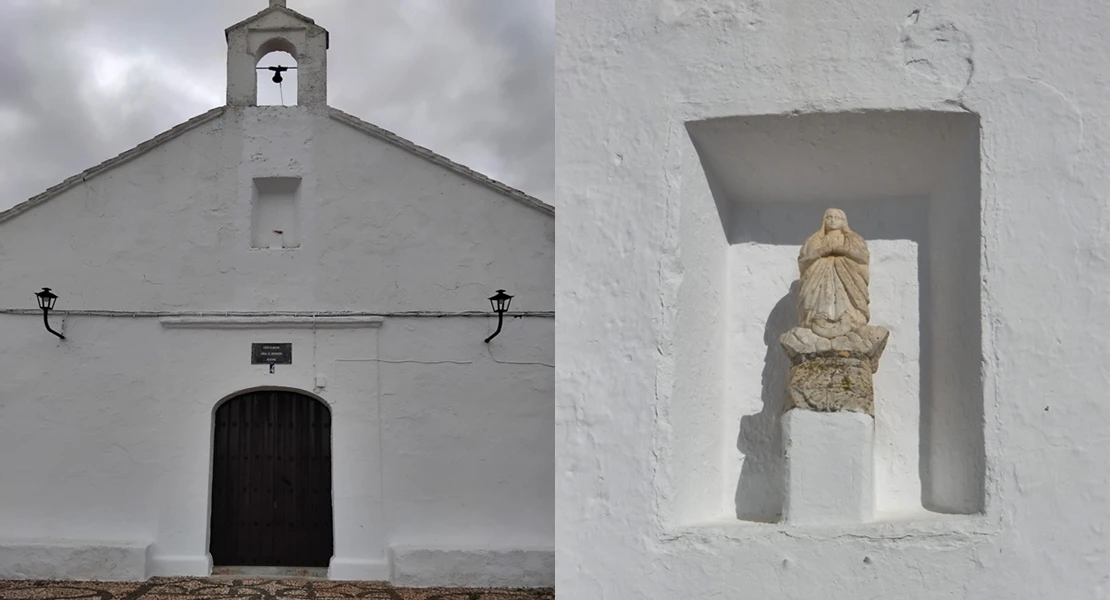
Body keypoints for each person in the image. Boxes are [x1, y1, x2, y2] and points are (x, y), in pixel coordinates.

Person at [796, 209, 871, 338]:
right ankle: (819, 316)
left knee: (842, 291)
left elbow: (862, 257)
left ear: (844, 222)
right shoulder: (815, 239)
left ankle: (847, 316)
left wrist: (841, 250)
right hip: (820, 274)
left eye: (837, 218)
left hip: (846, 273)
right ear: (823, 221)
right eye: (829, 217)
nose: (832, 220)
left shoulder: (852, 238)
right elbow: (805, 260)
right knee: (825, 292)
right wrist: (823, 251)